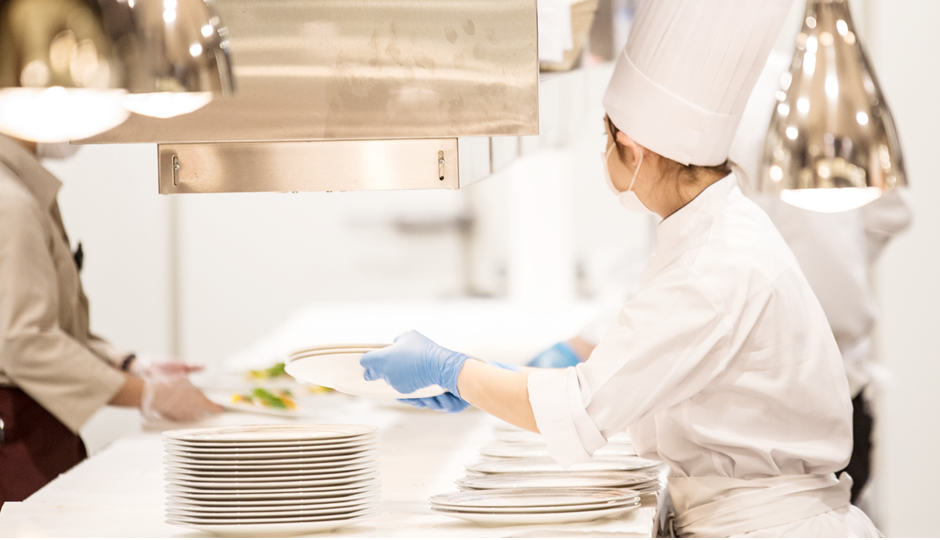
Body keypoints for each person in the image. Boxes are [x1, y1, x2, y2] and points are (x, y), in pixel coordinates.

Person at [361, 0, 881, 536]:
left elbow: (578, 410)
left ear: (632, 148)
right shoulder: (716, 228)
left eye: (605, 143)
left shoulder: (711, 264)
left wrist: (452, 370)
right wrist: (484, 378)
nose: (604, 159)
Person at [529, 49, 914, 505]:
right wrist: (835, 267)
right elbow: (892, 212)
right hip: (837, 389)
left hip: (774, 426)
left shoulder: (704, 119)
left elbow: (707, 277)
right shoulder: (817, 79)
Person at [0, 128, 222, 524]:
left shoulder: (17, 185)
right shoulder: (6, 200)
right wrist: (150, 395)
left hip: (30, 421)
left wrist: (126, 362)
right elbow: (26, 343)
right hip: (10, 428)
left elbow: (36, 318)